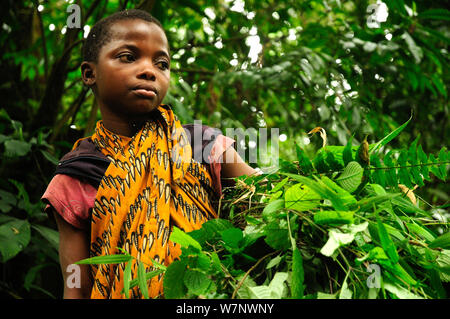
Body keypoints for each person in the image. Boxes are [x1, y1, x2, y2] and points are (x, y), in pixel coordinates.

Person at [41, 9, 258, 299]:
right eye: (128, 57)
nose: (149, 70)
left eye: (162, 63)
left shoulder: (204, 144)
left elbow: (266, 204)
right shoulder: (77, 175)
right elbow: (76, 284)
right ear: (89, 73)